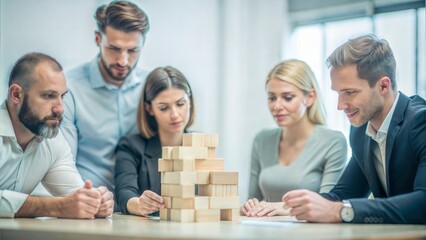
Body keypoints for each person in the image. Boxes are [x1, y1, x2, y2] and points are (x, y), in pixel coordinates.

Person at [282, 34, 426, 224]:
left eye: (350, 92)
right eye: (338, 93)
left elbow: (423, 203)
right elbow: (342, 195)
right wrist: (288, 208)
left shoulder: (420, 122)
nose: (340, 106)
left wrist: (341, 211)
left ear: (383, 86)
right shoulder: (360, 130)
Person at [0, 52, 114, 218]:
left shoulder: (53, 141)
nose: (60, 109)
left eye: (62, 96)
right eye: (48, 96)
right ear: (16, 94)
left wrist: (95, 202)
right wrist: (54, 207)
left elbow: (74, 195)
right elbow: (62, 205)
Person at [61, 1, 150, 199]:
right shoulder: (68, 87)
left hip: (142, 209)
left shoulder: (151, 86)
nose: (123, 61)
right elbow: (62, 163)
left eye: (132, 50)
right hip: (88, 205)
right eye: (114, 48)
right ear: (97, 38)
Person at [240, 59, 347, 217]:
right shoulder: (261, 140)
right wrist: (248, 206)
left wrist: (285, 208)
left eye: (288, 97)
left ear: (310, 97)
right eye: (271, 98)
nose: (277, 106)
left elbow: (328, 205)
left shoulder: (333, 142)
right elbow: (253, 199)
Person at [115, 66, 195, 216]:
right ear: (149, 109)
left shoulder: (202, 146)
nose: (175, 115)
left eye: (180, 104)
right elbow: (124, 193)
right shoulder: (131, 146)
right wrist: (138, 204)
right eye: (164, 108)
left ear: (189, 101)